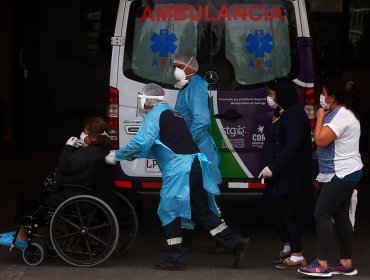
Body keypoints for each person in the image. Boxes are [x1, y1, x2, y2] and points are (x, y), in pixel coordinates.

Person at [105, 83, 249, 270]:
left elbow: (143, 142)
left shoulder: (154, 114)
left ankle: (176, 258)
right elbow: (160, 146)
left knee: (169, 209)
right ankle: (236, 242)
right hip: (195, 164)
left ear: (148, 101)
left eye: (141, 99)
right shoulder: (172, 114)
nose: (141, 104)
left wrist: (116, 156)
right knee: (201, 210)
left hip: (180, 169)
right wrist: (133, 154)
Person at [0, 117, 111, 249]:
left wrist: (68, 147)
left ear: (93, 138)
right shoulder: (99, 151)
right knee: (36, 192)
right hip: (79, 189)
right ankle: (22, 231)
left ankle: (22, 236)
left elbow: (64, 164)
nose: (82, 134)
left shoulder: (88, 153)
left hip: (69, 193)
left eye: (85, 132)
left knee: (29, 197)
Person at [298, 78, 363, 277]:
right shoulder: (338, 114)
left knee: (322, 214)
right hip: (343, 172)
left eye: (324, 93)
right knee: (341, 216)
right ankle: (345, 262)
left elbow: (320, 140)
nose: (321, 97)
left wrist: (318, 117)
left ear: (332, 98)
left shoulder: (341, 116)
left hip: (342, 173)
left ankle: (322, 263)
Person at [172, 53, 227, 253]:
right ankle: (186, 241)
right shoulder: (187, 87)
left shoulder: (196, 87)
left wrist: (185, 141)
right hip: (191, 151)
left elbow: (201, 121)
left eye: (177, 65)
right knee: (186, 196)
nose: (174, 69)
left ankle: (225, 239)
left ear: (190, 67)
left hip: (198, 151)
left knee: (206, 198)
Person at [258, 77, 312, 270]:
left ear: (282, 94)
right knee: (271, 205)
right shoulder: (284, 112)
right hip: (280, 172)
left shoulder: (293, 115)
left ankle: (297, 255)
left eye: (272, 94)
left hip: (290, 173)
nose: (269, 98)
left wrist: (273, 167)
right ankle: (289, 246)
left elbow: (292, 146)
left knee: (287, 210)